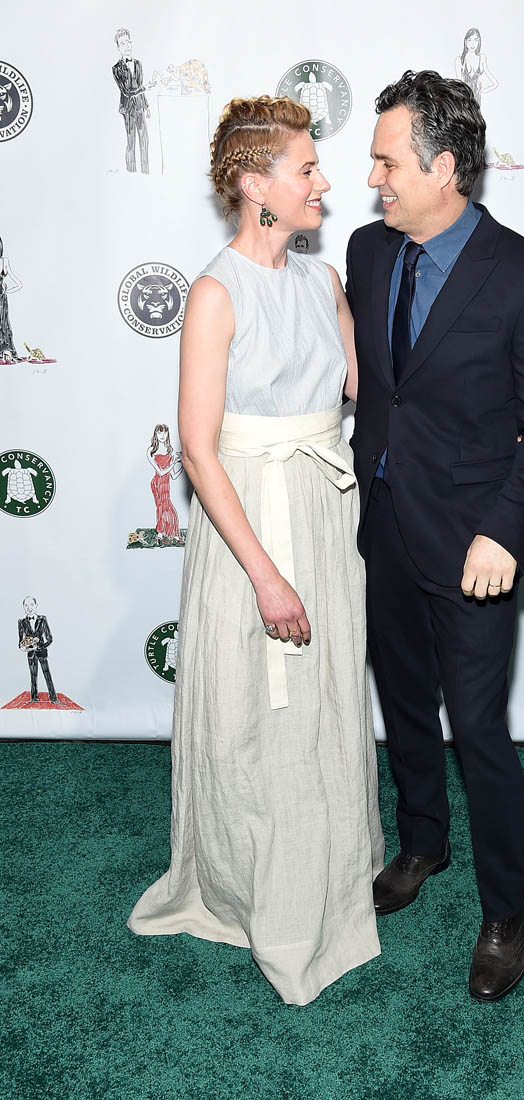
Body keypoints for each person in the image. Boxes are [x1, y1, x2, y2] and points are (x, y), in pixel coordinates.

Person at [128, 95, 384, 1006]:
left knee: (322, 703)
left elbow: (362, 390)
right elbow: (199, 452)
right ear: (253, 184)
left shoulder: (322, 280)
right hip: (248, 523)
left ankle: (326, 882)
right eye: (305, 168)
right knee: (251, 712)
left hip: (323, 505)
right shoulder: (214, 293)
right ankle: (253, 895)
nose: (324, 182)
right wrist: (267, 576)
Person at [346, 70, 524, 1001]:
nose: (372, 178)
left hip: (474, 547)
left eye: (387, 161)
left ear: (443, 168)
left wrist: (504, 534)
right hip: (382, 526)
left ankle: (504, 912)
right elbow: (378, 387)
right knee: (402, 698)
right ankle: (421, 842)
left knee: (476, 728)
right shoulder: (367, 252)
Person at [112, 29, 150, 174]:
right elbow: (126, 92)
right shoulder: (116, 69)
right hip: (127, 109)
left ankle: (146, 172)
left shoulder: (138, 64)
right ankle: (131, 174)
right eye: (123, 43)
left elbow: (139, 85)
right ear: (118, 47)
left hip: (140, 107)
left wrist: (146, 106)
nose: (127, 46)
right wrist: (144, 88)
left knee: (145, 139)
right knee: (131, 141)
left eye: (128, 42)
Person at [18, 597, 60, 707]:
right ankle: (34, 698)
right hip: (30, 654)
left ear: (36, 606)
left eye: (31, 605)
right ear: (23, 607)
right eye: (26, 605)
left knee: (47, 675)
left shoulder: (43, 619)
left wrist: (40, 647)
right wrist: (26, 648)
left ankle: (54, 698)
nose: (29, 608)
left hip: (42, 652)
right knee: (33, 676)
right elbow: (20, 643)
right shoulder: (21, 622)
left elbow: (50, 639)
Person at [147, 424, 182, 544]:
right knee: (163, 508)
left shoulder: (169, 450)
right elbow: (161, 472)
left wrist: (182, 463)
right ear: (155, 434)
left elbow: (173, 476)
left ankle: (162, 534)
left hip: (166, 485)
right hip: (157, 484)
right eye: (159, 432)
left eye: (165, 432)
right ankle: (167, 534)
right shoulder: (151, 450)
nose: (162, 435)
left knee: (167, 509)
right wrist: (174, 462)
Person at [454, 28, 498, 106]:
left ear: (479, 41)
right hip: (464, 100)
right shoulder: (459, 60)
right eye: (469, 40)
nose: (472, 44)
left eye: (476, 40)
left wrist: (482, 91)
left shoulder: (482, 58)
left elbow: (495, 83)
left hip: (476, 100)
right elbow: (459, 85)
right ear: (465, 42)